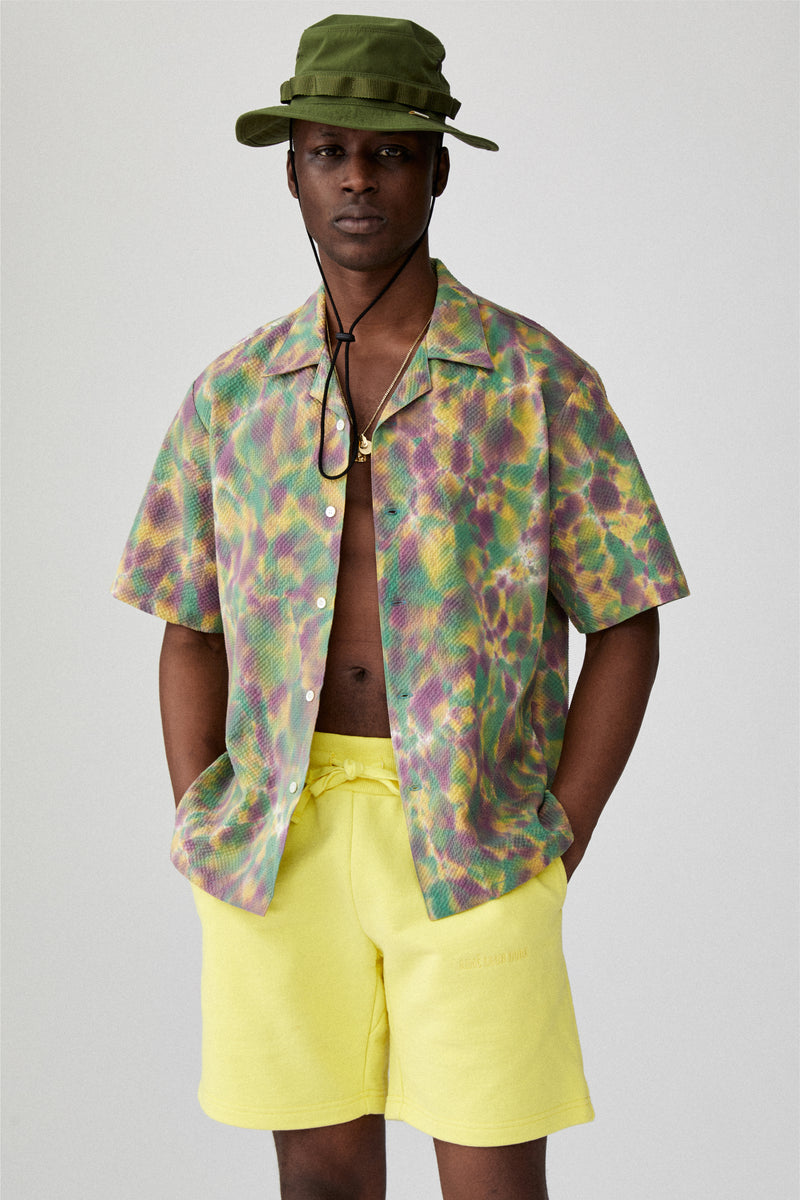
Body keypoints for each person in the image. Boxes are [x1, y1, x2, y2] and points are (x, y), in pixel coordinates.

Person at [113, 14, 689, 1199]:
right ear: (291, 173)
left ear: (435, 170)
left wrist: (558, 834)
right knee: (320, 1181)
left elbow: (625, 618)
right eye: (328, 152)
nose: (356, 179)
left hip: (474, 832)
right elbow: (188, 625)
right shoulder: (232, 395)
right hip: (278, 839)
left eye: (386, 153)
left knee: (490, 1181)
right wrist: (203, 821)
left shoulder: (533, 382)